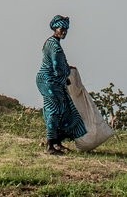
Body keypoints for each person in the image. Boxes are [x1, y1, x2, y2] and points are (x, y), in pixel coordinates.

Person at [37, 15, 85, 154]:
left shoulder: (53, 43)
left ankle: (57, 142)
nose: (64, 31)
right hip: (49, 81)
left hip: (53, 81)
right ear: (55, 29)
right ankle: (50, 145)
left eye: (66, 29)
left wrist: (68, 69)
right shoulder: (54, 46)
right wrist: (66, 77)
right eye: (61, 28)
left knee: (64, 110)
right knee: (54, 111)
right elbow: (57, 66)